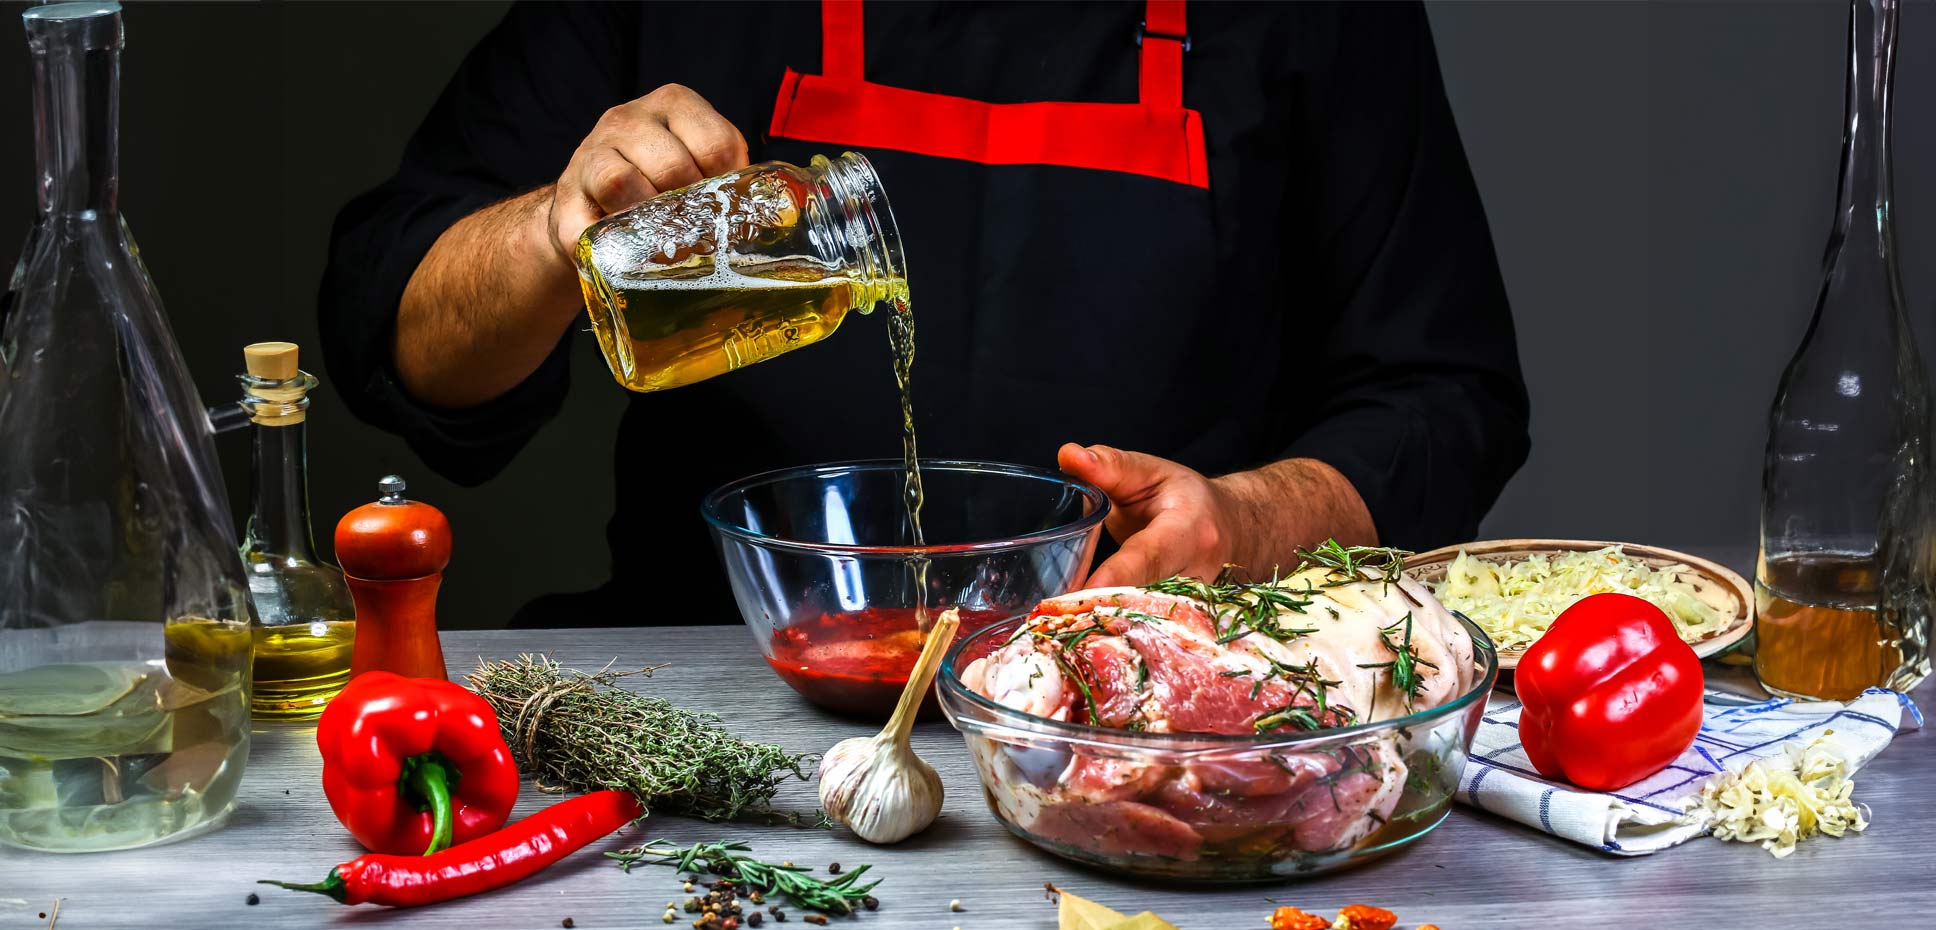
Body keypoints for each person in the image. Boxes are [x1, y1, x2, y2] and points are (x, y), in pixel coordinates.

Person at [319, 0, 1529, 627]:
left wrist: (1248, 522)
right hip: (719, 674)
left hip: (1148, 703)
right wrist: (552, 231)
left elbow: (1447, 395)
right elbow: (398, 335)